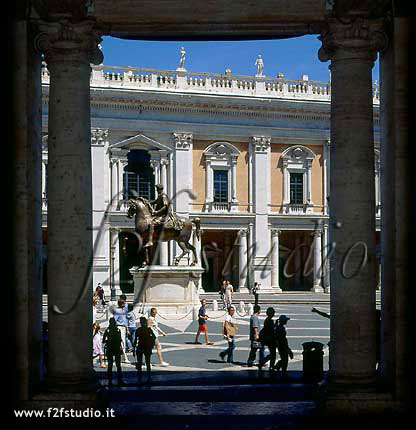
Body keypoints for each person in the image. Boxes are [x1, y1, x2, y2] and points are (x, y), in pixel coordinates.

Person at [102, 317, 124, 387]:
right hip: (117, 348)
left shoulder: (107, 330)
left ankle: (110, 379)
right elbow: (120, 339)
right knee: (118, 365)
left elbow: (103, 340)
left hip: (110, 348)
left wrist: (107, 341)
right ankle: (120, 379)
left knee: (110, 365)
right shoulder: (118, 330)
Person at [134, 317, 156, 385]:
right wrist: (152, 346)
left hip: (140, 346)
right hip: (147, 347)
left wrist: (134, 349)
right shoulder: (148, 329)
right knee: (148, 362)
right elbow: (153, 338)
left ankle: (139, 377)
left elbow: (135, 340)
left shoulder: (138, 330)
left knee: (139, 363)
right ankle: (149, 377)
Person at [111, 294, 130, 362]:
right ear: (121, 304)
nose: (125, 304)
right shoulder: (117, 311)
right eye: (124, 303)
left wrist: (127, 328)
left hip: (123, 328)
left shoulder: (123, 311)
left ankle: (122, 356)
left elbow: (125, 321)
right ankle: (124, 357)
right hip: (119, 328)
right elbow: (115, 321)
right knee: (121, 342)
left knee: (123, 342)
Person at [275, 315, 294, 380]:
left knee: (284, 359)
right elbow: (282, 339)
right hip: (282, 346)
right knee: (285, 360)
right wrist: (288, 349)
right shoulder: (281, 328)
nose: (286, 321)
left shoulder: (278, 327)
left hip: (281, 346)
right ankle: (283, 372)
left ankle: (278, 367)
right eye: (285, 320)